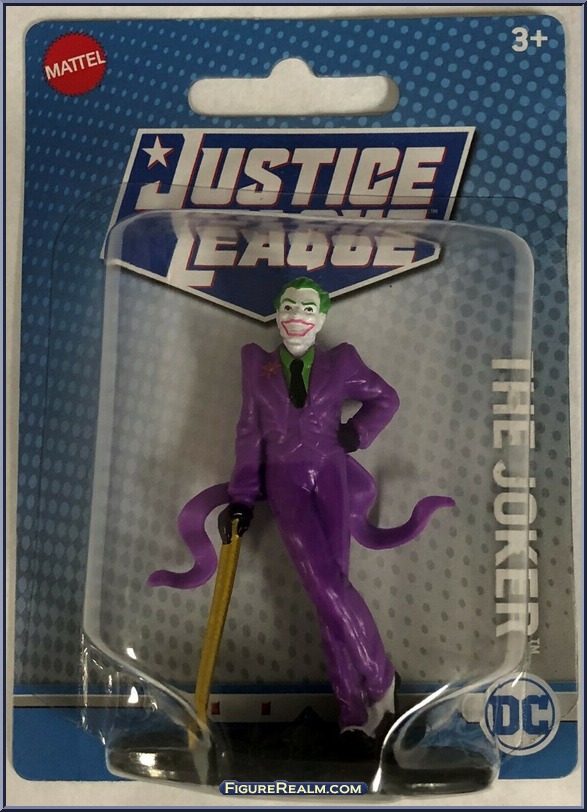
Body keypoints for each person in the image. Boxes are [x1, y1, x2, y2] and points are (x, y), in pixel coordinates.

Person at [149, 277, 454, 744]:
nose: (297, 315)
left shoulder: (341, 362)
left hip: (331, 475)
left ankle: (352, 714)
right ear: (278, 314)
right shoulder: (257, 366)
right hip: (285, 481)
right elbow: (248, 432)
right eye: (289, 306)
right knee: (323, 584)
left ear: (322, 318)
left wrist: (357, 433)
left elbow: (386, 398)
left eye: (308, 308)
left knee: (329, 592)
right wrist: (243, 496)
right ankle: (381, 681)